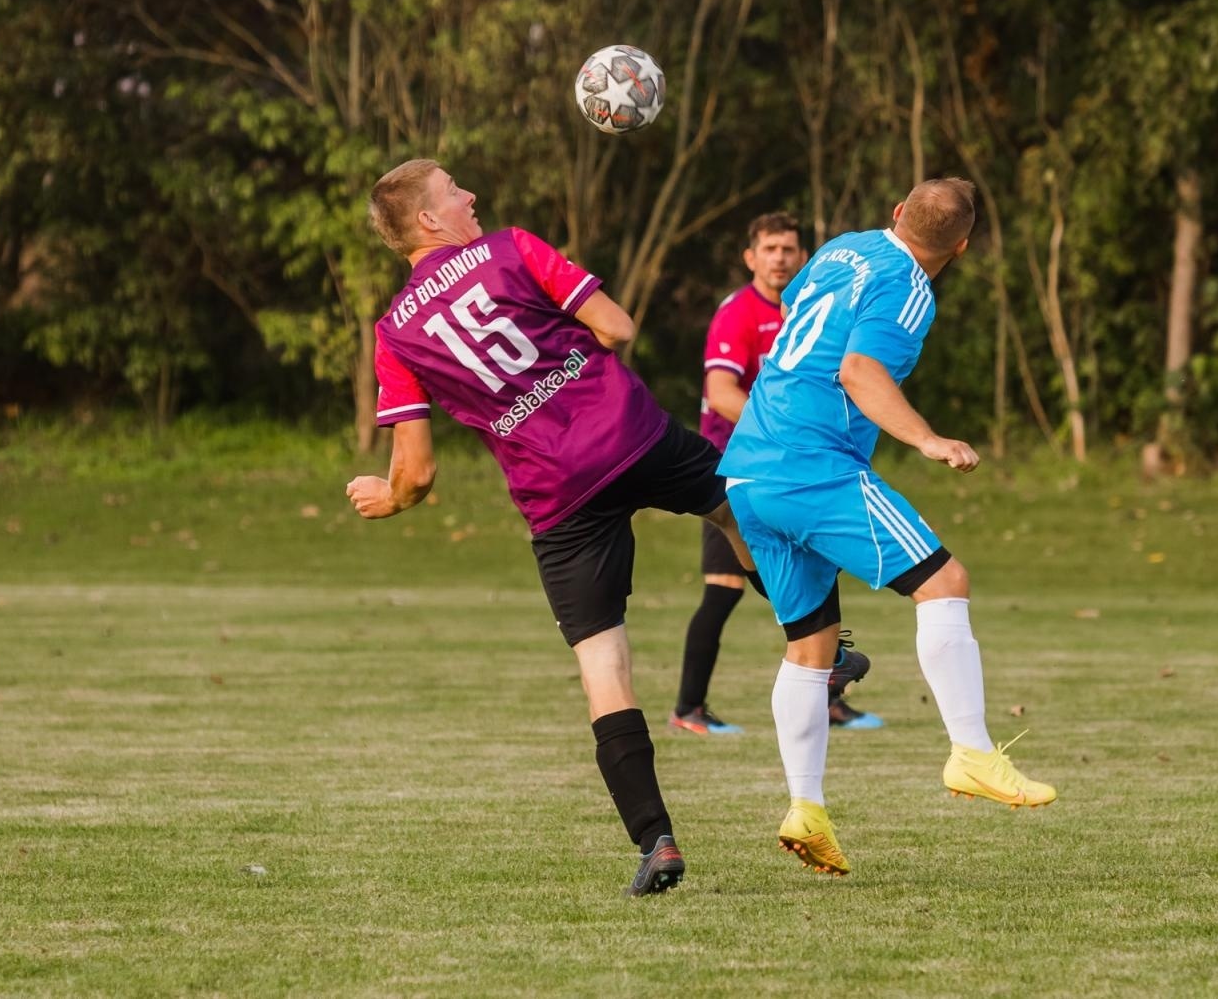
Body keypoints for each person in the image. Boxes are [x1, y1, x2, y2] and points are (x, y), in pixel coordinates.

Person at [346, 158, 758, 897]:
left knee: (604, 663)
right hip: (630, 434)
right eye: (453, 191)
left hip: (557, 493)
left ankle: (656, 839)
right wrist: (560, 351)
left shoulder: (395, 334)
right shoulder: (509, 249)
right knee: (738, 510)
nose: (471, 195)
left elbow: (417, 472)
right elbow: (618, 327)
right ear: (430, 221)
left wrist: (390, 499)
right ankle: (829, 648)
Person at [718, 178, 1057, 876]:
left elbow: (803, 323)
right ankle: (971, 751)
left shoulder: (846, 248)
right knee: (945, 581)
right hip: (814, 469)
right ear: (961, 248)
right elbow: (859, 368)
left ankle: (805, 809)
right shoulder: (910, 288)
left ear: (897, 212)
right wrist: (927, 438)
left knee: (812, 645)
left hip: (749, 469)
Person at [672, 213, 883, 736]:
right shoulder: (738, 313)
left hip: (798, 468)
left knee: (818, 572)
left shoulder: (815, 304)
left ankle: (828, 693)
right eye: (769, 248)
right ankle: (688, 709)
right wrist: (784, 433)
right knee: (722, 590)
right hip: (740, 466)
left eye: (789, 248)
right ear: (751, 257)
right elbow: (721, 394)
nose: (780, 257)